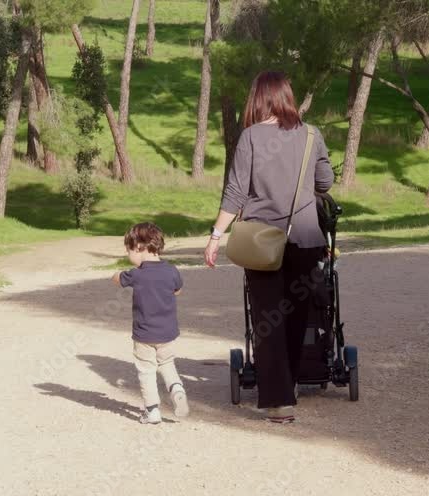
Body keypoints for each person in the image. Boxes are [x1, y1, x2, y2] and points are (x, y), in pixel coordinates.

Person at [203, 71, 334, 423]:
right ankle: (288, 383)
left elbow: (235, 192)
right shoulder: (311, 135)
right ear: (287, 97)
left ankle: (278, 401)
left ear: (258, 98)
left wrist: (216, 236)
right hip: (305, 239)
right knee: (297, 316)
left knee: (267, 319)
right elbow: (325, 181)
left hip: (262, 241)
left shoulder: (250, 138)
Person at [112, 222, 190, 424]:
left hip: (144, 335)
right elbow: (178, 291)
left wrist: (117, 274)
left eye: (128, 251)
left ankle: (152, 411)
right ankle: (177, 389)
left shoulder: (136, 274)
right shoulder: (171, 271)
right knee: (167, 364)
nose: (128, 255)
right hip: (167, 333)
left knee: (146, 370)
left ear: (139, 247)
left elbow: (117, 279)